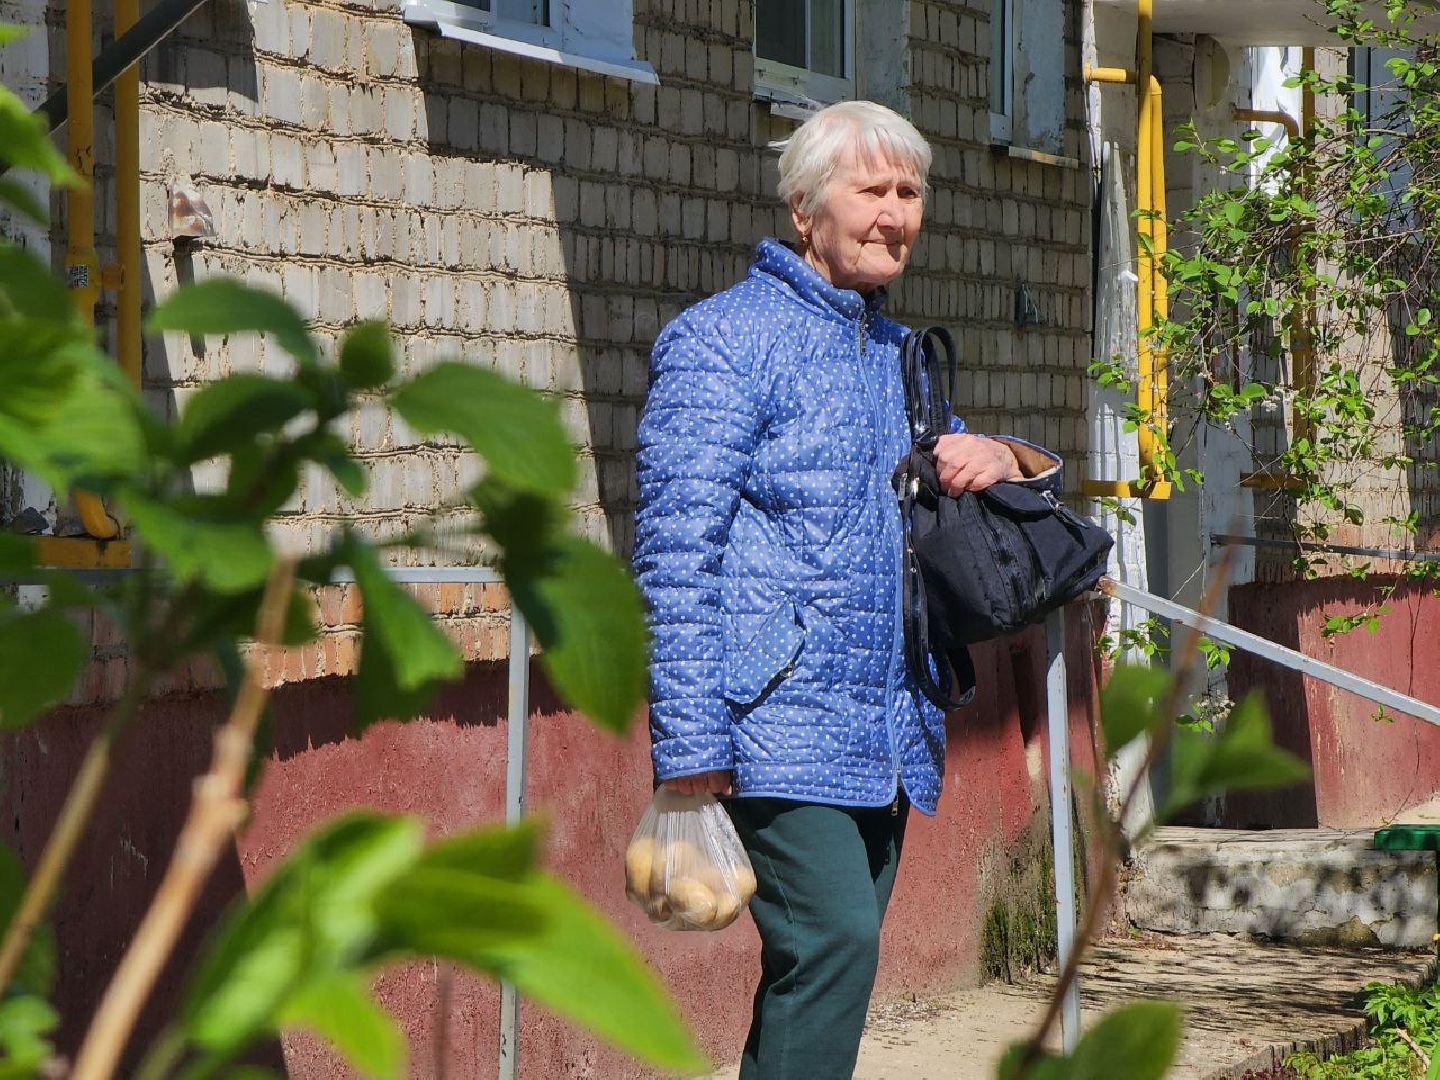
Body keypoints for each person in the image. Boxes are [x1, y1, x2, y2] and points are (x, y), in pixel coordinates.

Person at [632, 100, 1060, 1079]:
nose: (894, 214)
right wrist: (690, 746)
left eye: (910, 194)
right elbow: (675, 550)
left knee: (822, 970)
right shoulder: (722, 343)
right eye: (871, 190)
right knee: (831, 947)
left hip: (886, 724)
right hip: (770, 718)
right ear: (804, 210)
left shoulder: (896, 359)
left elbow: (970, 489)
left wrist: (1001, 452)